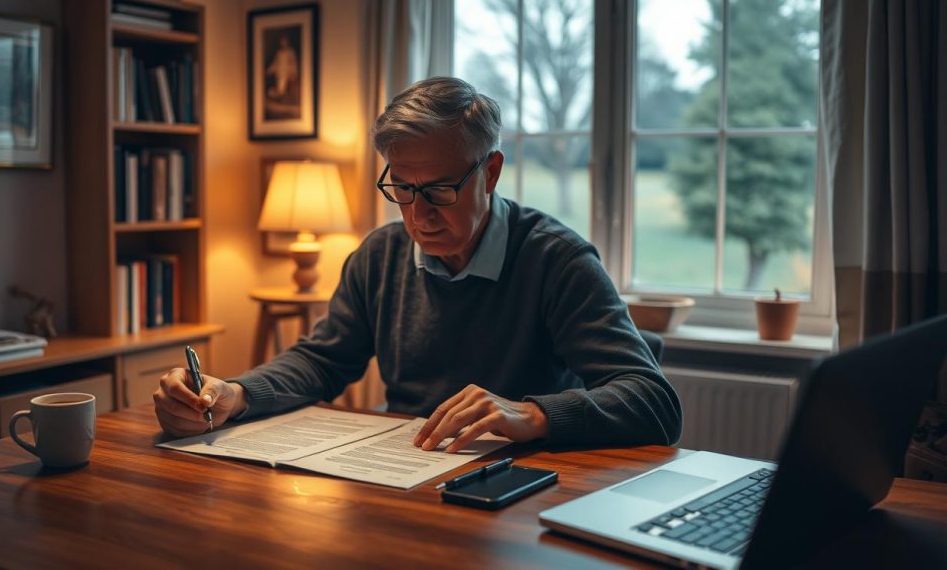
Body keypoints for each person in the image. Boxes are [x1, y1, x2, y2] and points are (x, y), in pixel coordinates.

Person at [154, 77, 682, 452]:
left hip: (519, 493)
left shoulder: (557, 260)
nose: (418, 214)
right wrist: (235, 394)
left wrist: (534, 413)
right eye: (401, 188)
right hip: (404, 469)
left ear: (491, 172)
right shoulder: (379, 256)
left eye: (439, 190)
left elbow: (654, 401)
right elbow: (321, 361)